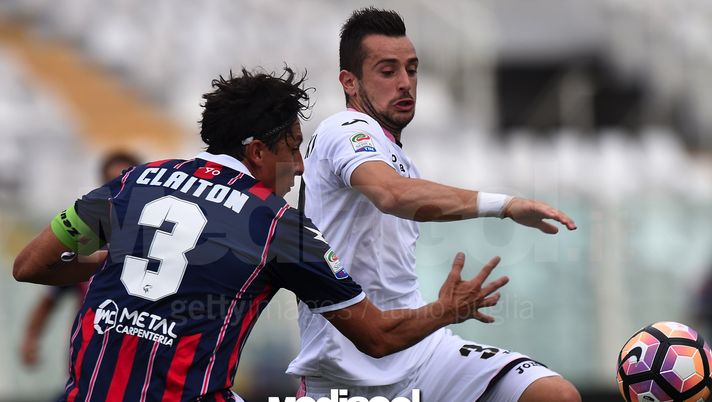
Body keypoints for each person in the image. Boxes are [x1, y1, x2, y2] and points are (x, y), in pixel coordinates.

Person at [13, 66, 510, 402]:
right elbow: (377, 337)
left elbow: (30, 265)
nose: (299, 166)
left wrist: (110, 259)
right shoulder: (276, 225)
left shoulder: (136, 180)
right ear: (256, 152)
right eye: (292, 148)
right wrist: (447, 310)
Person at [287, 8, 582, 402]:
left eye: (411, 69)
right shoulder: (346, 129)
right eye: (388, 71)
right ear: (350, 82)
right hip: (343, 377)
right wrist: (505, 205)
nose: (406, 84)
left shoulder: (398, 156)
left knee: (553, 395)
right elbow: (392, 195)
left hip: (421, 356)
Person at [20, 150, 141, 368]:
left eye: (124, 181)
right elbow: (49, 296)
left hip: (137, 356)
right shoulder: (88, 239)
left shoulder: (151, 240)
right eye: (111, 182)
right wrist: (31, 338)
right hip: (88, 353)